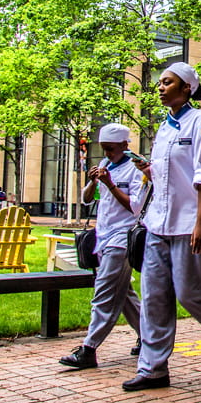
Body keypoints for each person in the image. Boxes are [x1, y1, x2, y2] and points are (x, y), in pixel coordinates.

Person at [122, 62, 201, 392]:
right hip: (158, 225)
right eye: (160, 83)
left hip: (188, 225)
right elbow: (168, 175)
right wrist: (150, 171)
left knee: (194, 295)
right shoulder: (164, 128)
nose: (161, 87)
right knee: (153, 298)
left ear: (187, 88)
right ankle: (152, 369)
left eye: (168, 82)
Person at [60, 123, 144, 369]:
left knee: (104, 292)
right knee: (125, 295)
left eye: (111, 149)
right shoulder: (106, 166)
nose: (107, 154)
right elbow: (87, 200)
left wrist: (109, 184)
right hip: (104, 235)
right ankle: (149, 337)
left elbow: (134, 206)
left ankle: (89, 348)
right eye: (104, 149)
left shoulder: (136, 170)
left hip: (122, 239)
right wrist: (93, 182)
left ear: (124, 145)